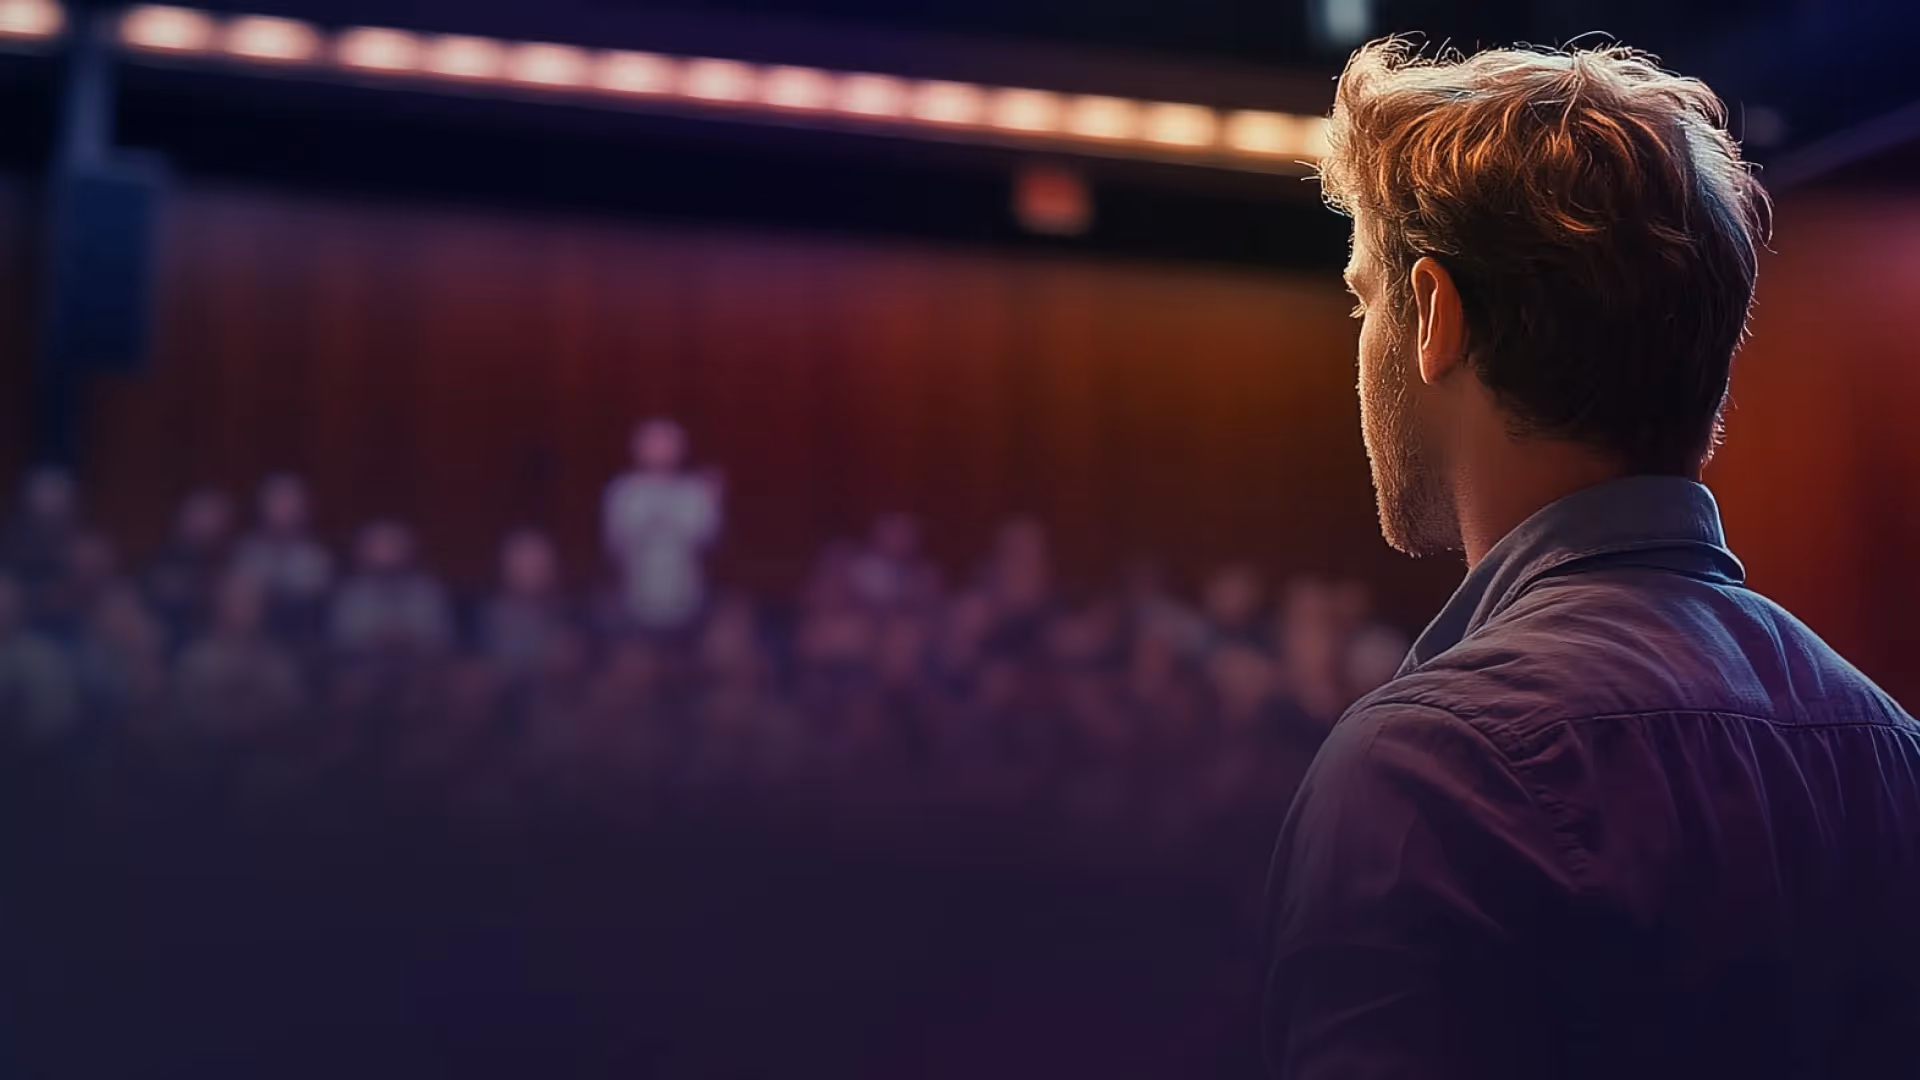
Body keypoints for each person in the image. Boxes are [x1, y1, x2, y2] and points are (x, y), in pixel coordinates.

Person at [1263, 39, 1919, 1080]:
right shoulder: (1893, 752)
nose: (1362, 331)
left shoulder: (1429, 772)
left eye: (1362, 299)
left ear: (1433, 314)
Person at [602, 419, 723, 634]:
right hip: (636, 596)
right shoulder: (623, 492)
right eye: (653, 443)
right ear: (638, 448)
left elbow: (709, 541)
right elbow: (614, 544)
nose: (661, 450)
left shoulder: (695, 491)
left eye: (667, 444)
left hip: (686, 597)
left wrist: (713, 501)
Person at [328, 520, 455, 661]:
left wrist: (407, 640)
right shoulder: (350, 592)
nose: (387, 553)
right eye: (378, 545)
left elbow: (441, 638)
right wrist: (377, 641)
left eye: (394, 545)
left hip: (419, 665)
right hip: (364, 665)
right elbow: (341, 641)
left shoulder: (427, 590)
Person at [232, 474, 334, 643]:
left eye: (290, 503)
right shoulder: (247, 551)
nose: (283, 510)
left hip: (300, 640)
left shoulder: (316, 557)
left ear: (303, 509)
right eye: (276, 502)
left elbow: (313, 609)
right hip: (248, 638)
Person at [145, 488, 237, 647]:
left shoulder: (227, 561)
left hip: (215, 646)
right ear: (183, 517)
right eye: (202, 514)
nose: (210, 521)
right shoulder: (162, 563)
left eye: (217, 515)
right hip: (167, 642)